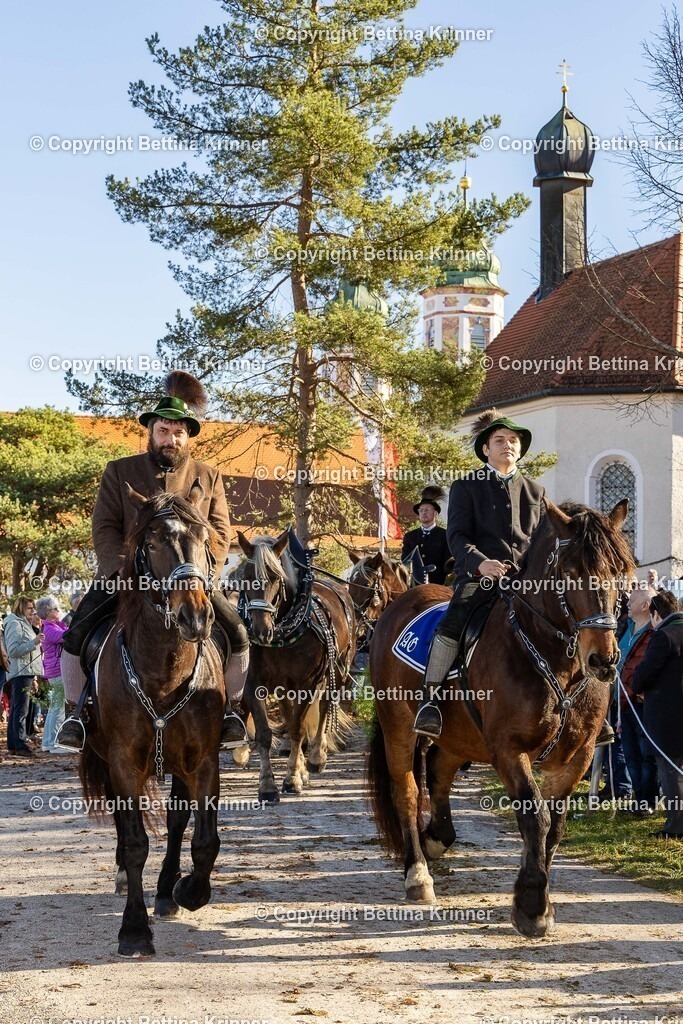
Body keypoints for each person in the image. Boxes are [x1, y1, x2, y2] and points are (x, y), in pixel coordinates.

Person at [56, 371, 250, 751]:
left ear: (188, 436)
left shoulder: (208, 475)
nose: (170, 439)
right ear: (151, 431)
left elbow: (220, 531)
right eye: (164, 431)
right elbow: (104, 527)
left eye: (178, 433)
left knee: (239, 634)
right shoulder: (119, 471)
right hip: (128, 577)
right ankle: (75, 715)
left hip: (192, 578)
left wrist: (205, 572)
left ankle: (231, 712)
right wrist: (121, 569)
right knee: (75, 635)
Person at [413, 410, 545, 739]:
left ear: (520, 450)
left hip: (525, 582)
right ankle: (429, 699)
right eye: (499, 440)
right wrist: (480, 563)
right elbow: (457, 536)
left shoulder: (536, 491)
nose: (507, 445)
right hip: (479, 578)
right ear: (486, 449)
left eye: (513, 440)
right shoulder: (466, 486)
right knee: (453, 621)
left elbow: (542, 542)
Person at [631, 590, 683, 840]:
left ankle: (676, 827)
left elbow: (643, 674)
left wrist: (638, 685)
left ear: (655, 614)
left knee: (670, 771)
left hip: (667, 715)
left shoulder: (664, 636)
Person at [617, 584, 658, 815]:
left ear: (645, 605)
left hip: (641, 703)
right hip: (622, 702)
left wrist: (638, 691)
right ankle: (638, 798)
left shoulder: (654, 633)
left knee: (646, 755)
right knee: (630, 754)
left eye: (632, 600)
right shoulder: (625, 627)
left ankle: (648, 802)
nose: (627, 604)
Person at [3, 596, 44, 757]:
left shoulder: (25, 623)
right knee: (21, 710)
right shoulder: (15, 624)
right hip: (21, 671)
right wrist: (34, 642)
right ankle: (20, 744)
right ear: (20, 608)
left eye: (34, 608)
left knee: (17, 708)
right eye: (29, 608)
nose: (33, 611)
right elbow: (13, 650)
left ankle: (13, 745)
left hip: (26, 671)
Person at [35, 595, 69, 753]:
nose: (59, 611)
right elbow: (66, 637)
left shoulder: (52, 626)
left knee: (55, 707)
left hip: (55, 671)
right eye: (56, 608)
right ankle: (54, 743)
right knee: (58, 708)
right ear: (48, 612)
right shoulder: (49, 629)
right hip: (57, 671)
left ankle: (48, 742)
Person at [401, 486, 451, 585]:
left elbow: (448, 563)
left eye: (427, 510)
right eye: (421, 510)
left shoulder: (445, 535)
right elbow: (405, 561)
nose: (424, 512)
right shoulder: (410, 536)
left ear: (435, 513)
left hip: (438, 584)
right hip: (413, 584)